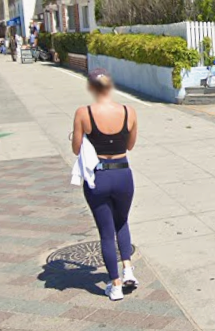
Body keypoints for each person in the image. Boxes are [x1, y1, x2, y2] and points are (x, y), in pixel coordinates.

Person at [71, 70, 138, 301]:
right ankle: (128, 268)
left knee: (106, 233)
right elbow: (130, 145)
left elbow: (76, 148)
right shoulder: (129, 111)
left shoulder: (83, 113)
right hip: (123, 174)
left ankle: (116, 284)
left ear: (91, 87)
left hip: (98, 177)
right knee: (122, 222)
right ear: (110, 86)